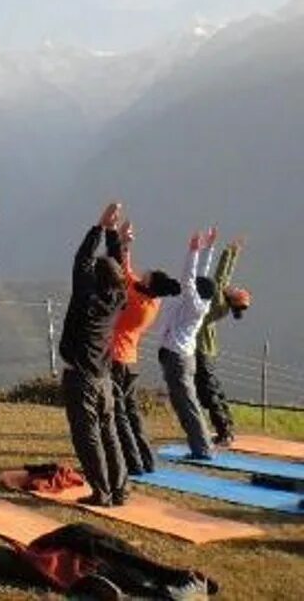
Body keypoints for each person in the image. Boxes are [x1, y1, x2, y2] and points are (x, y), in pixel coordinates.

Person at [58, 203, 129, 507]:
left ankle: (101, 492)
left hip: (82, 379)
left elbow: (81, 259)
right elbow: (116, 268)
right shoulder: (117, 298)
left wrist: (100, 226)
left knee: (88, 438)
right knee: (109, 434)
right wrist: (112, 233)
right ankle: (120, 489)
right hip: (104, 378)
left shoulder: (86, 300)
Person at [109, 219, 181, 476]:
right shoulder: (152, 303)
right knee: (132, 412)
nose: (143, 273)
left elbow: (119, 273)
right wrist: (125, 243)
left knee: (119, 414)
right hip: (130, 359)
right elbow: (128, 273)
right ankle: (146, 459)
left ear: (148, 284)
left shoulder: (135, 300)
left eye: (147, 275)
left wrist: (118, 241)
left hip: (115, 358)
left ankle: (133, 463)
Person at [157, 228, 219, 460]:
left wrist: (192, 251)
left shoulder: (195, 305)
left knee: (187, 404)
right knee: (185, 402)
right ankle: (200, 445)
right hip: (183, 356)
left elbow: (190, 278)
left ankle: (202, 448)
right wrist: (208, 249)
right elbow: (200, 277)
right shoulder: (203, 300)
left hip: (177, 358)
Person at [195, 238, 251, 448]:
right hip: (209, 353)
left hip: (202, 352)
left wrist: (229, 253)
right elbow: (224, 279)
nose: (233, 287)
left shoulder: (218, 302)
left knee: (209, 393)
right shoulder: (222, 304)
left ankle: (224, 432)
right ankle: (227, 427)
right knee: (215, 390)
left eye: (236, 291)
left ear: (232, 299)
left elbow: (221, 276)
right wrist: (233, 253)